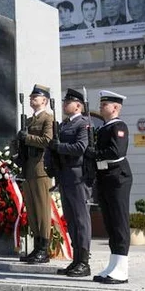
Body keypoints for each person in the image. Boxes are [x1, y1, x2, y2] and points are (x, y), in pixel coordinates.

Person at [48, 89, 93, 278]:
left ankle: (84, 261)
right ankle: (76, 260)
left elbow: (80, 148)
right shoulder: (65, 124)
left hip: (77, 176)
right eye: (65, 101)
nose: (65, 104)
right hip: (65, 176)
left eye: (68, 102)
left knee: (81, 220)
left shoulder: (83, 124)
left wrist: (59, 147)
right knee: (71, 220)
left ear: (78, 106)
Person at [89, 91, 132, 284]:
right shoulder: (104, 127)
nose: (101, 107)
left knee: (119, 222)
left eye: (104, 104)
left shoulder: (119, 126)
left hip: (117, 177)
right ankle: (113, 264)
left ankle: (122, 269)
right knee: (110, 223)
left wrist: (94, 153)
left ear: (115, 107)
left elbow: (117, 151)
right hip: (105, 176)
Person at [15, 85, 54, 264]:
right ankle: (36, 246)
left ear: (44, 100)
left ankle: (44, 248)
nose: (32, 100)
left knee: (42, 210)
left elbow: (47, 141)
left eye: (35, 97)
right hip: (29, 170)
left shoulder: (48, 119)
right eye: (31, 97)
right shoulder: (29, 120)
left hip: (41, 170)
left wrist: (27, 138)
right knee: (32, 211)